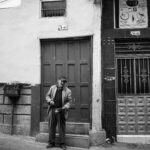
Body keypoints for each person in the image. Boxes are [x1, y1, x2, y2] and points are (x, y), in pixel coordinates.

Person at [45, 76, 72, 150]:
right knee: (51, 126)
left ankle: (62, 143)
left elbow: (69, 102)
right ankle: (51, 142)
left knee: (61, 128)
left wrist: (64, 107)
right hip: (52, 109)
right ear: (58, 81)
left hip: (61, 111)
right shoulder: (52, 88)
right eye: (61, 81)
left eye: (64, 82)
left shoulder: (68, 91)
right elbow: (47, 96)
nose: (63, 83)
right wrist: (50, 101)